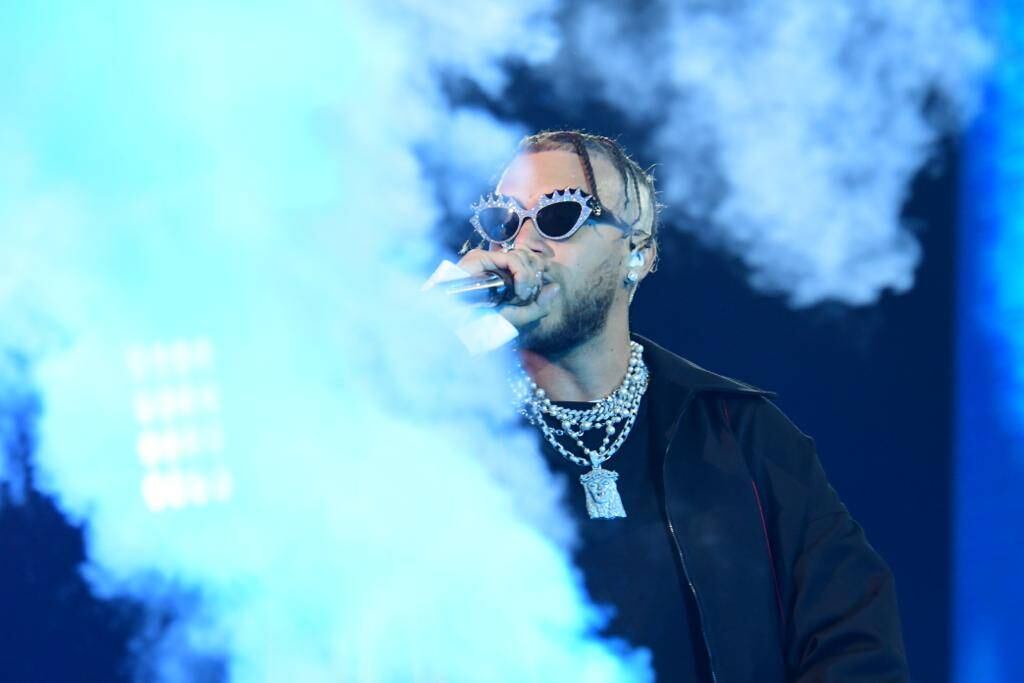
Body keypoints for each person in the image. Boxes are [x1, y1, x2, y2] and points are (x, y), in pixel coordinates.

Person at [454, 130, 910, 682]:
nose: (523, 245)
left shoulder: (741, 436)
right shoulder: (449, 429)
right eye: (504, 221)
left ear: (637, 254)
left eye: (559, 216)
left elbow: (856, 643)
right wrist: (437, 325)